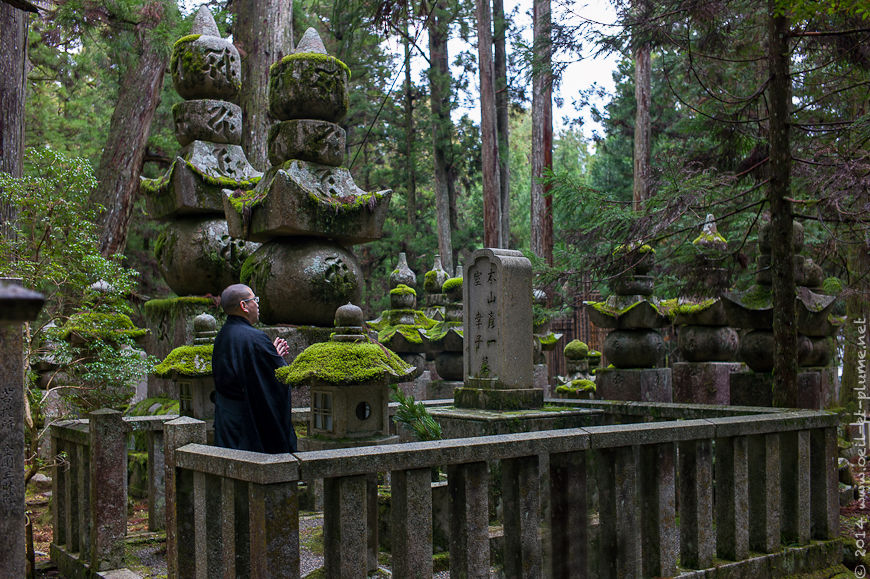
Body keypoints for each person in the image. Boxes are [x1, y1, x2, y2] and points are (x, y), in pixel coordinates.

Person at [212, 283, 297, 453]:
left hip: (227, 422)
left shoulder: (223, 335)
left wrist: (269, 355)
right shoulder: (255, 338)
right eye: (254, 300)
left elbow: (248, 370)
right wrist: (276, 359)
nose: (257, 304)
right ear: (244, 305)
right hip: (249, 426)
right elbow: (275, 379)